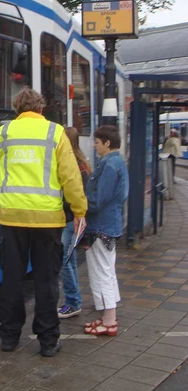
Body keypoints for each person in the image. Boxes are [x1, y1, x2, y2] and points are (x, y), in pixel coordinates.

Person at [0, 87, 87, 357]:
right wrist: (80, 211)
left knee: (12, 279)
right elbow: (70, 178)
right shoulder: (55, 134)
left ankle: (9, 337)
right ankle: (47, 342)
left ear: (17, 109)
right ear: (41, 109)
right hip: (48, 223)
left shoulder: (5, 132)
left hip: (11, 220)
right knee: (46, 282)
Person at [83, 125, 129, 337]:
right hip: (110, 225)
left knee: (101, 273)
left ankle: (109, 321)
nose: (94, 144)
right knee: (108, 272)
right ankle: (109, 317)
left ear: (107, 143)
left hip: (100, 226)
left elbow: (97, 200)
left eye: (97, 141)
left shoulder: (109, 165)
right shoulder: (118, 162)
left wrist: (79, 204)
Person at [58, 126, 92, 319]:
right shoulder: (82, 162)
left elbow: (75, 195)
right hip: (72, 219)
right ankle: (74, 300)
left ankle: (73, 302)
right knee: (68, 260)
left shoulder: (74, 165)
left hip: (71, 219)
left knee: (65, 259)